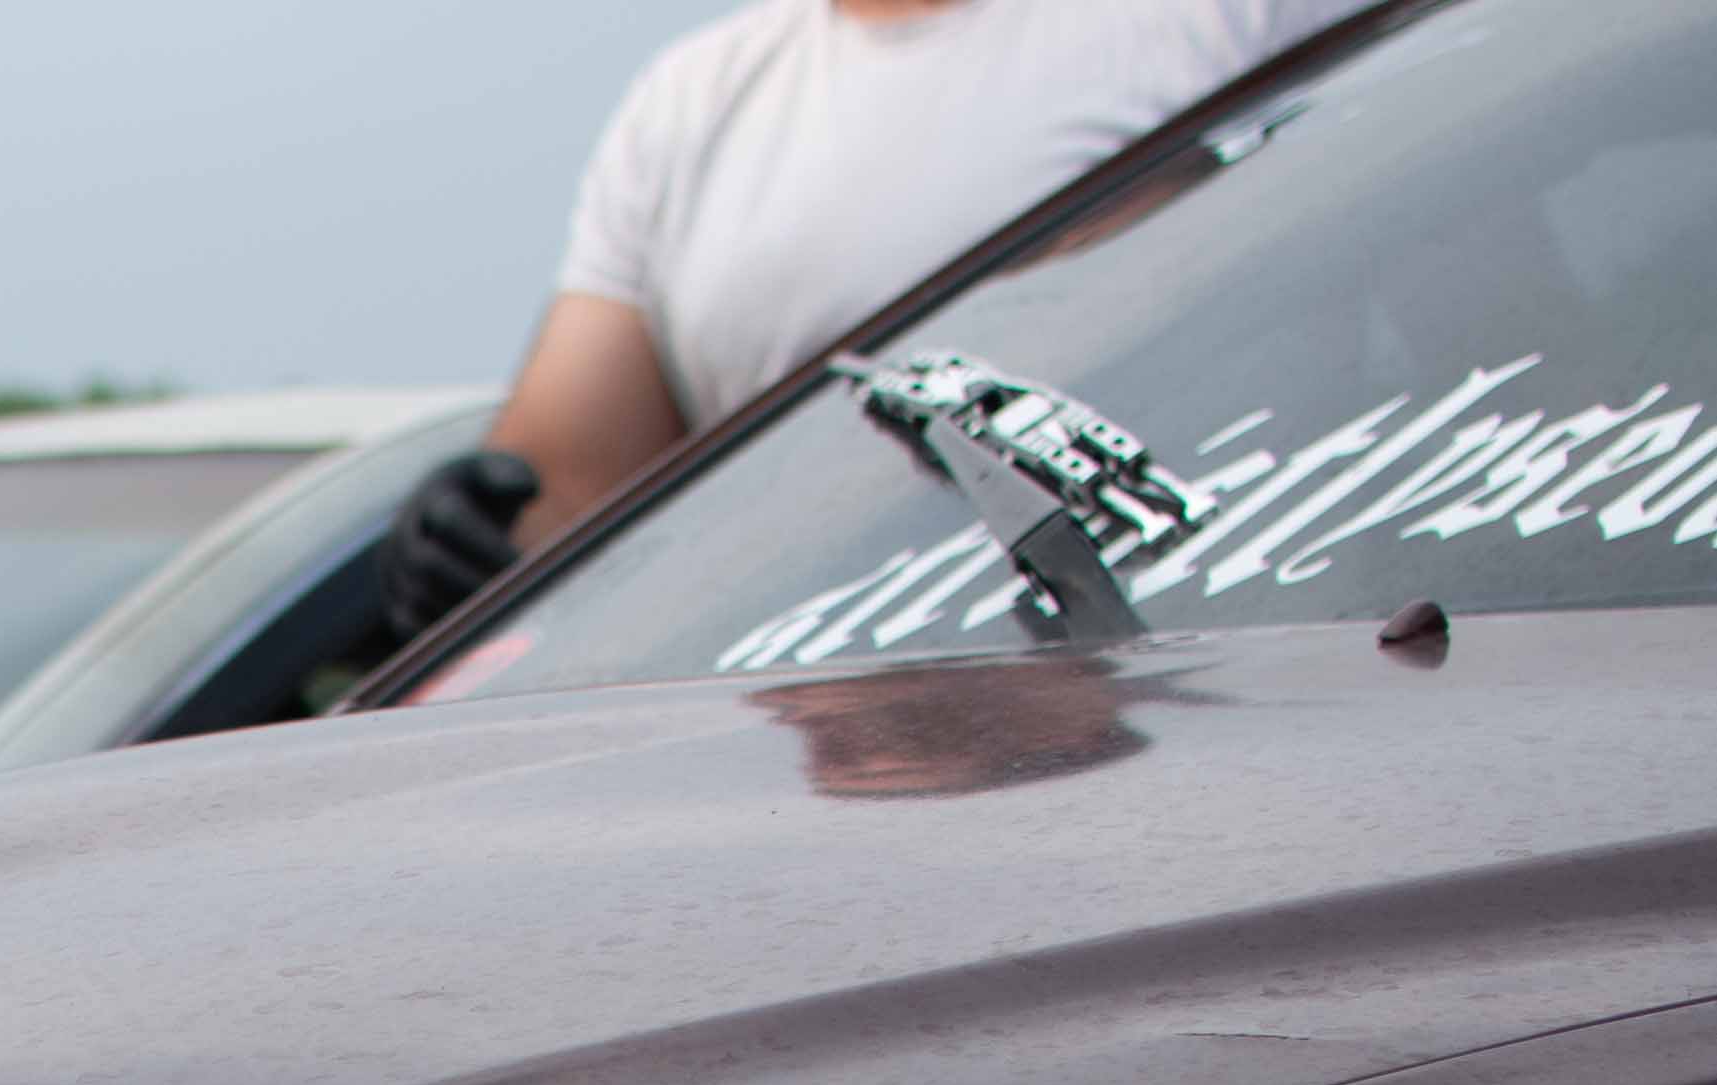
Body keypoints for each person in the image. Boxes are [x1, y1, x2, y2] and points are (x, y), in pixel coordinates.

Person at [374, 0, 1363, 645]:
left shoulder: (1216, 17)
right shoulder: (689, 102)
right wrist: (464, 540)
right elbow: (560, 492)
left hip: (1177, 658)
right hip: (823, 732)